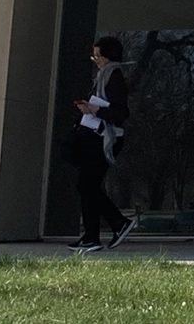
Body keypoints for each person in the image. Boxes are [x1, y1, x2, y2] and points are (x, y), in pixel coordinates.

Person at [67, 36, 135, 253]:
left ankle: (109, 227)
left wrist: (95, 110)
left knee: (86, 185)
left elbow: (120, 113)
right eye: (94, 56)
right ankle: (96, 233)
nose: (95, 60)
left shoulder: (113, 76)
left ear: (108, 57)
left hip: (106, 138)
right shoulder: (104, 76)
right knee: (88, 186)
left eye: (98, 56)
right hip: (99, 136)